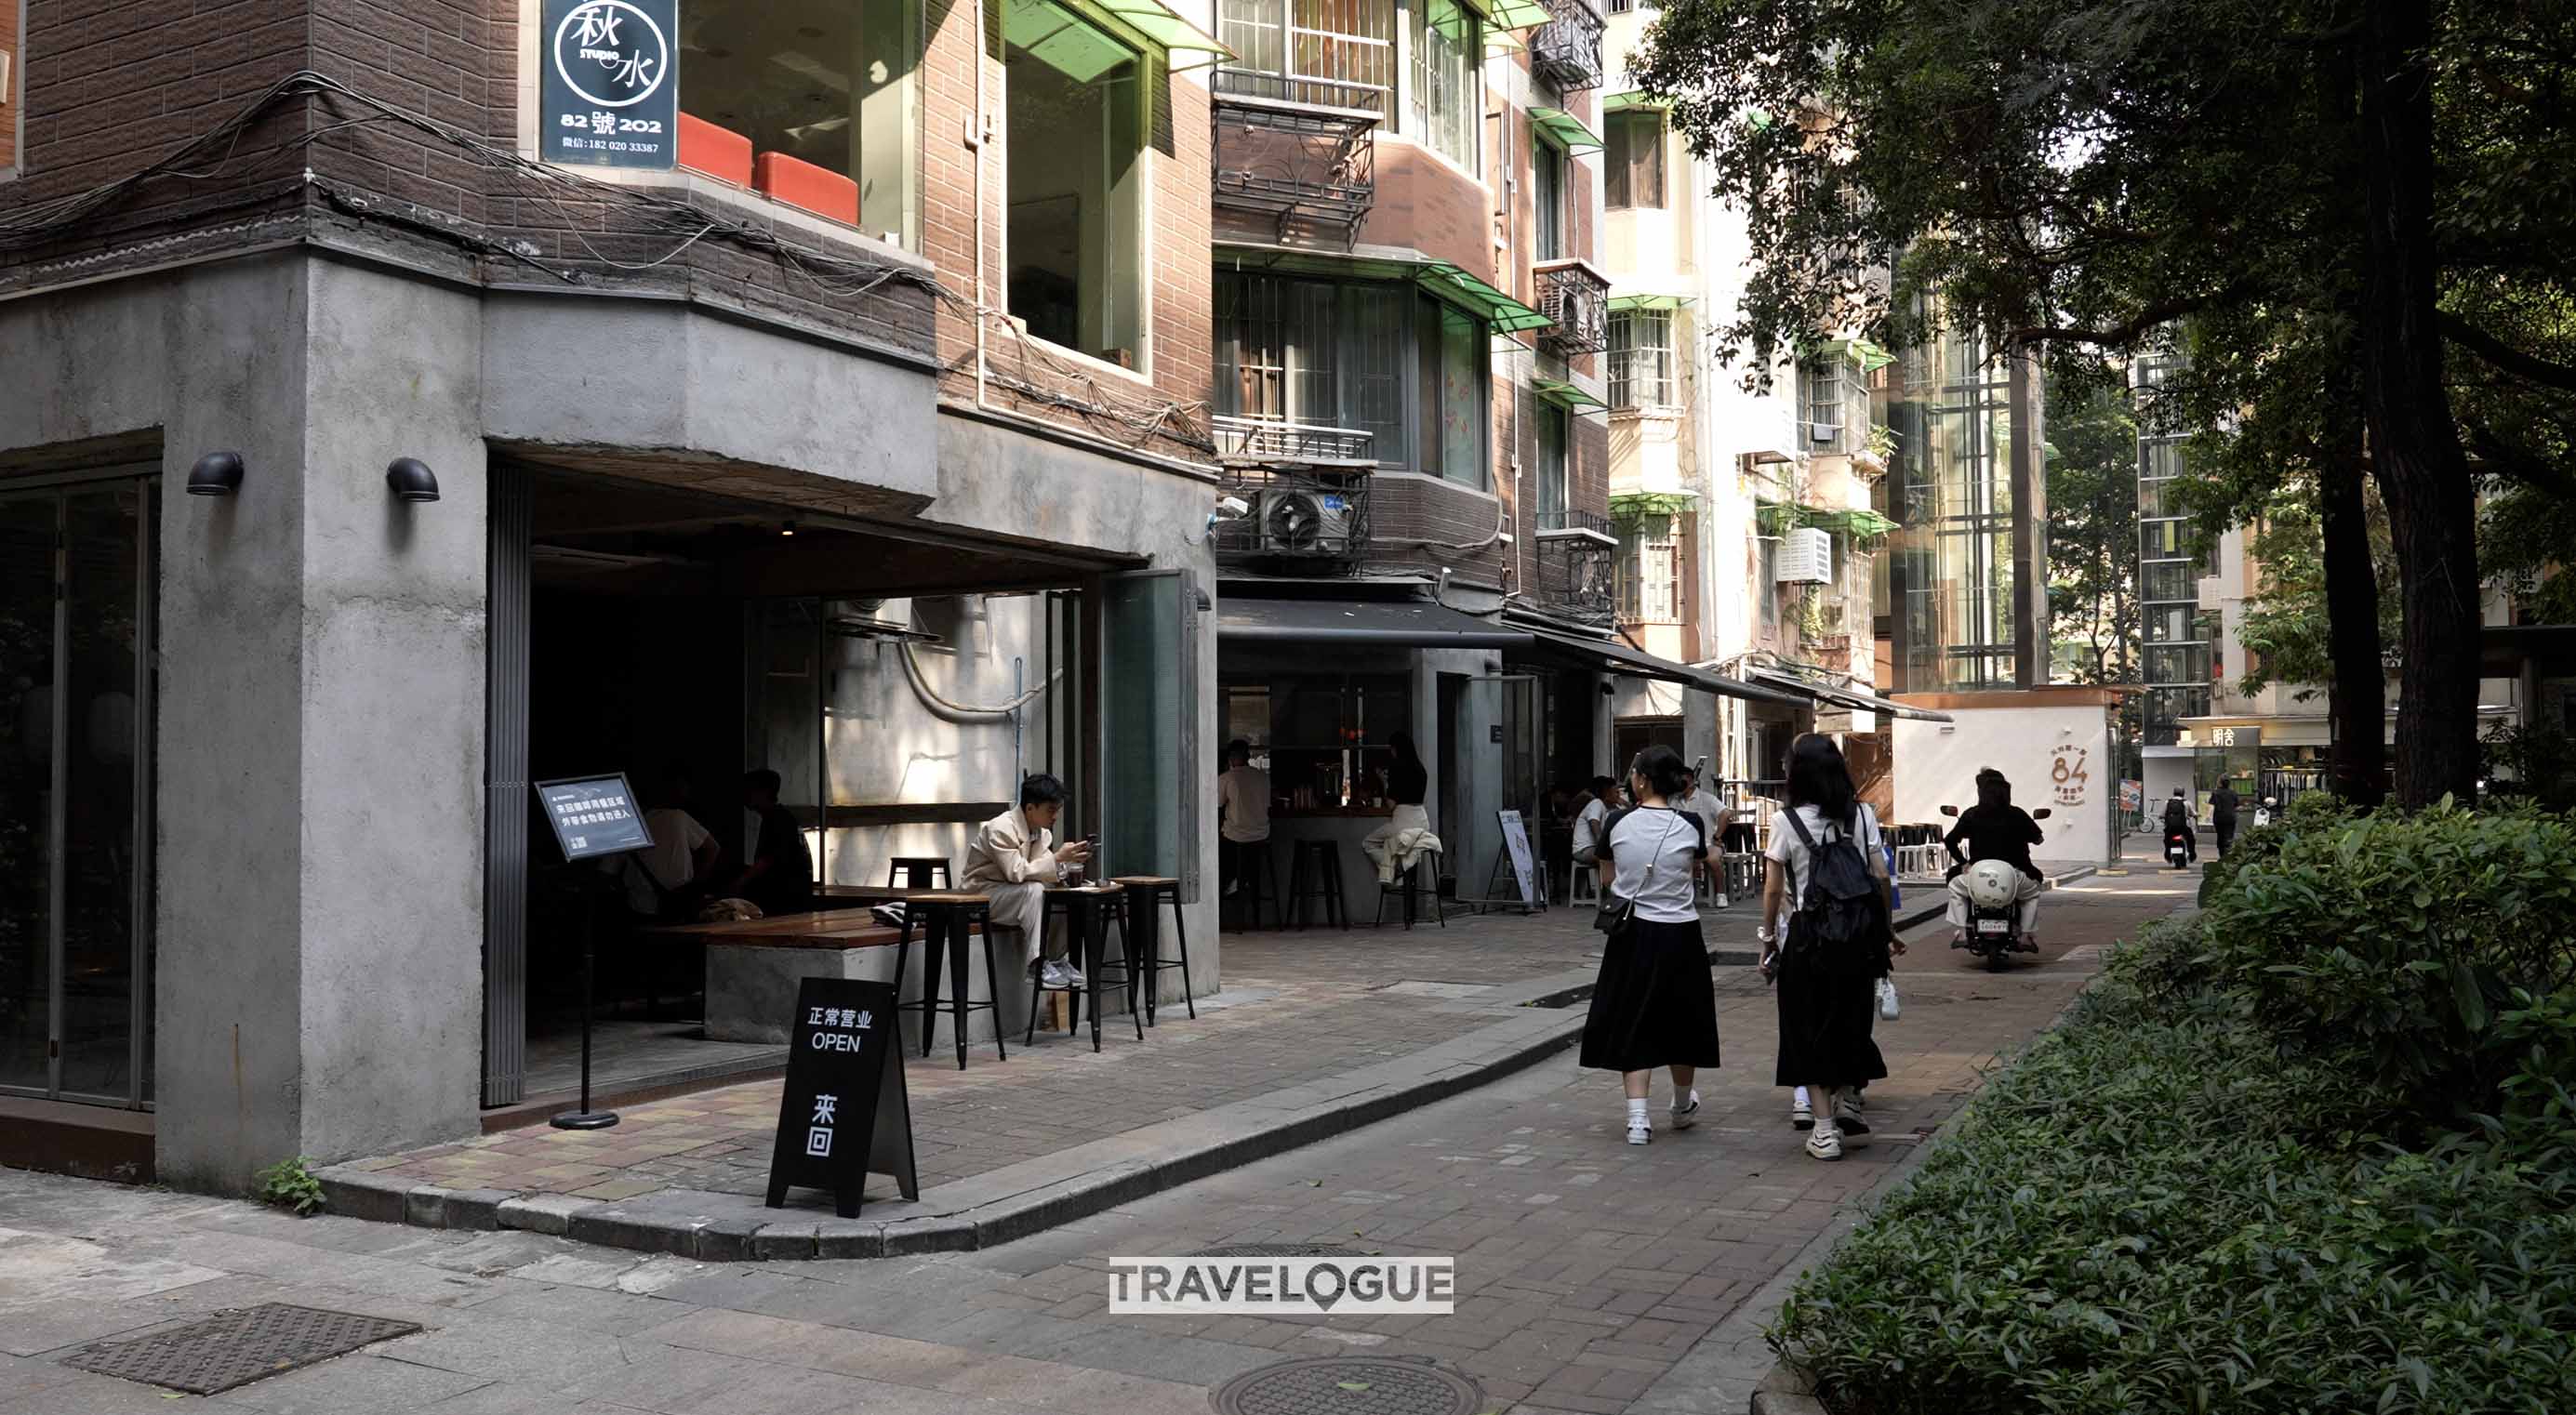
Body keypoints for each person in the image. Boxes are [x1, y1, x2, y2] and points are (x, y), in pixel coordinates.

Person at [1758, 733, 1899, 1162]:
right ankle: (1849, 1099)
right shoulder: (1861, 815)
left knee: (1807, 1028)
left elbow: (1771, 890)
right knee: (1850, 1022)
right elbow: (1880, 877)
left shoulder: (1786, 822)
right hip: (1857, 937)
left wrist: (1768, 941)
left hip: (1808, 938)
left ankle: (1823, 1131)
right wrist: (1886, 931)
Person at [1581, 745, 1722, 1145]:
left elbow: (1609, 878)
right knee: (1683, 1019)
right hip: (1681, 933)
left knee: (1633, 1018)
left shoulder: (1617, 823)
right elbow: (1693, 869)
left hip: (1633, 934)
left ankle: (1638, 1120)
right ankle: (1680, 1106)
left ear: (1640, 780)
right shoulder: (1692, 824)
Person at [963, 774, 1094, 988]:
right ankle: (1037, 964)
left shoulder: (1043, 835)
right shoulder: (1000, 828)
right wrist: (1059, 858)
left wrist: (1067, 869)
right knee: (1034, 890)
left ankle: (1055, 958)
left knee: (1067, 894)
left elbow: (1042, 870)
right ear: (1031, 808)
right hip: (982, 894)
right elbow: (1016, 872)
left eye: (1057, 811)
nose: (1055, 817)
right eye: (1050, 810)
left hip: (1012, 893)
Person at [1942, 768, 2046, 948]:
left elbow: (1950, 840)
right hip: (2015, 874)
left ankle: (1962, 932)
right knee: (2032, 894)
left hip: (1977, 874)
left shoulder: (1972, 814)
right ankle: (2026, 936)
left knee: (1956, 888)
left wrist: (1963, 863)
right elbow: (2038, 839)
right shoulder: (2017, 814)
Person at [610, 762, 722, 920]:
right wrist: (695, 886)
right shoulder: (678, 817)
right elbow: (713, 848)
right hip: (681, 904)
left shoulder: (626, 825)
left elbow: (607, 872)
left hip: (639, 906)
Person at [732, 768, 813, 918]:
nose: (744, 795)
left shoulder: (777, 819)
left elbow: (768, 859)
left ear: (763, 792)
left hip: (785, 897)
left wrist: (740, 882)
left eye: (748, 790)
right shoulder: (781, 817)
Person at [1361, 731, 1435, 884]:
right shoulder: (1421, 769)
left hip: (1403, 824)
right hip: (1423, 825)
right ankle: (1400, 869)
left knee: (1368, 843)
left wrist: (1383, 781)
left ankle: (1395, 868)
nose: (1391, 752)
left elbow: (1390, 805)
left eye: (1392, 749)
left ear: (1396, 748)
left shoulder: (1397, 767)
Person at [1216, 740, 1271, 897]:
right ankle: (1246, 877)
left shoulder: (1227, 778)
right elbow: (1267, 805)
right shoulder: (1262, 777)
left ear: (1231, 758)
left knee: (1221, 841)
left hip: (1237, 836)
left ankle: (1232, 880)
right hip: (1262, 835)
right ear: (1248, 756)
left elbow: (1217, 805)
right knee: (1246, 847)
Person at [1679, 770, 1734, 906]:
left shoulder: (1707, 798)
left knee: (1714, 859)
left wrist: (1717, 835)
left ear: (1691, 782)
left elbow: (1726, 813)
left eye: (1683, 782)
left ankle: (1721, 894)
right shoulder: (1674, 799)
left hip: (1707, 843)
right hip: (1682, 844)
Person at [1570, 775, 1615, 869]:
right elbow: (1594, 822)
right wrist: (1602, 846)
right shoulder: (1597, 803)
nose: (1618, 795)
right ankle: (1607, 883)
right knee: (1613, 858)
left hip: (1589, 849)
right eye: (1616, 792)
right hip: (1584, 850)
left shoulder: (1603, 807)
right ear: (1607, 792)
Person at [2161, 787, 2198, 864]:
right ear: (2183, 793)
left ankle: (2168, 855)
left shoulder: (2167, 802)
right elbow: (2193, 814)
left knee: (2166, 840)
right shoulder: (2187, 802)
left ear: (2174, 793)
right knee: (2191, 840)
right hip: (2184, 827)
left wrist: (2161, 817)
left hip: (2170, 827)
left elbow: (2162, 814)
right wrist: (2195, 816)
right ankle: (2192, 856)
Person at [2209, 781, 2241, 856]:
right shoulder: (2233, 793)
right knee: (2230, 836)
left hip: (2218, 818)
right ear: (2229, 784)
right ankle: (2229, 852)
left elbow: (2211, 805)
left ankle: (2221, 853)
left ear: (2221, 783)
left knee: (2220, 835)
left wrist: (2209, 816)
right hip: (2230, 818)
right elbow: (2237, 805)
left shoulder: (2216, 793)